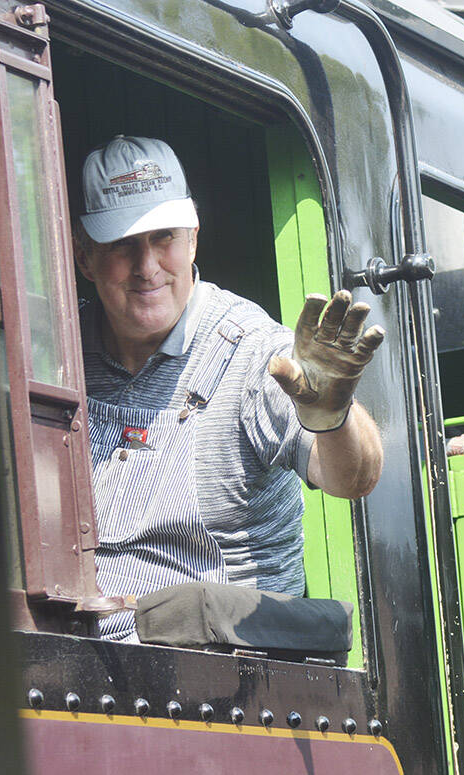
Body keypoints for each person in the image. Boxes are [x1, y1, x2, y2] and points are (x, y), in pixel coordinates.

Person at [73, 135, 384, 641]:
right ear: (84, 256)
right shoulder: (58, 352)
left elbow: (356, 478)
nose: (147, 267)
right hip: (73, 662)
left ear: (193, 237)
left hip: (221, 682)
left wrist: (334, 415)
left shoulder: (253, 352)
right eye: (123, 245)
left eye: (163, 239)